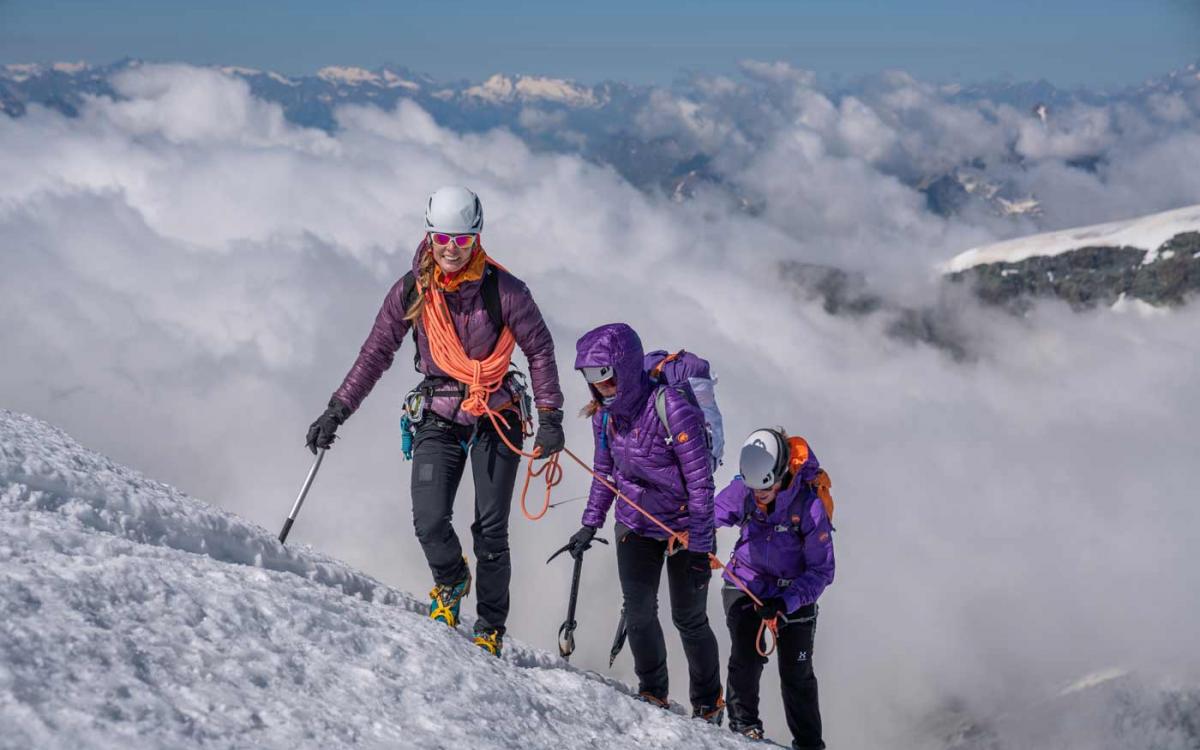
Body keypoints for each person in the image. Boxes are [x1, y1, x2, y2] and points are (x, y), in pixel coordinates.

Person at [306, 186, 564, 658]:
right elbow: (376, 353)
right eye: (443, 237)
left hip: (496, 413)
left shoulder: (505, 291)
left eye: (461, 241)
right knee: (428, 520)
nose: (450, 248)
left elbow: (540, 350)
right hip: (440, 409)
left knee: (490, 530)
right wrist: (337, 409)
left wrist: (551, 416)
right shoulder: (412, 290)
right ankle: (451, 581)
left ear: (476, 239)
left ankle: (490, 625)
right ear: (429, 234)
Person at [564, 322, 723, 722]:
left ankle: (707, 703)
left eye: (605, 373)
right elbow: (605, 473)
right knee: (638, 611)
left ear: (626, 366)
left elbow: (702, 484)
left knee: (688, 618)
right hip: (634, 523)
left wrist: (701, 547)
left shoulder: (672, 408)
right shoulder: (605, 418)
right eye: (590, 376)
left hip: (686, 529)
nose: (599, 384)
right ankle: (653, 690)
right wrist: (590, 524)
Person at [716, 428, 835, 748]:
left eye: (765, 487)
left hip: (794, 592)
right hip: (746, 581)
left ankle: (809, 743)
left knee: (796, 673)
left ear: (781, 473)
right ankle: (743, 727)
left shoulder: (808, 507)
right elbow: (712, 513)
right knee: (746, 653)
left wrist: (786, 602)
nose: (759, 494)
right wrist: (693, 537)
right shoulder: (745, 489)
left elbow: (822, 570)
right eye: (753, 487)